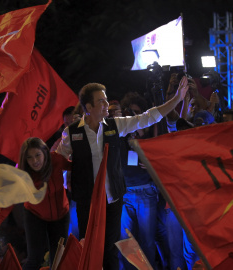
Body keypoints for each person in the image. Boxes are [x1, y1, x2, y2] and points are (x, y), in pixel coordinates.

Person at [55, 76, 189, 270]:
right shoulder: (71, 132)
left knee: (111, 249)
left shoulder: (115, 125)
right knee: (88, 246)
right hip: (87, 201)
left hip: (113, 199)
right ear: (88, 107)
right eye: (101, 101)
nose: (106, 104)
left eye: (106, 99)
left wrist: (177, 99)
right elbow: (58, 162)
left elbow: (148, 117)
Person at [0, 137, 71, 270]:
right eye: (30, 157)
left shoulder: (55, 159)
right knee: (35, 258)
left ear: (44, 151)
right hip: (35, 215)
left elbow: (76, 166)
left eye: (37, 155)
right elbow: (9, 198)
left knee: (58, 259)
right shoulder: (21, 174)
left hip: (61, 214)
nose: (35, 161)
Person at [118, 92, 159, 269]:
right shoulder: (120, 134)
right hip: (125, 192)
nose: (133, 118)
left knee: (147, 241)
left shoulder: (149, 138)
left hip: (146, 192)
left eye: (137, 114)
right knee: (126, 241)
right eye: (130, 113)